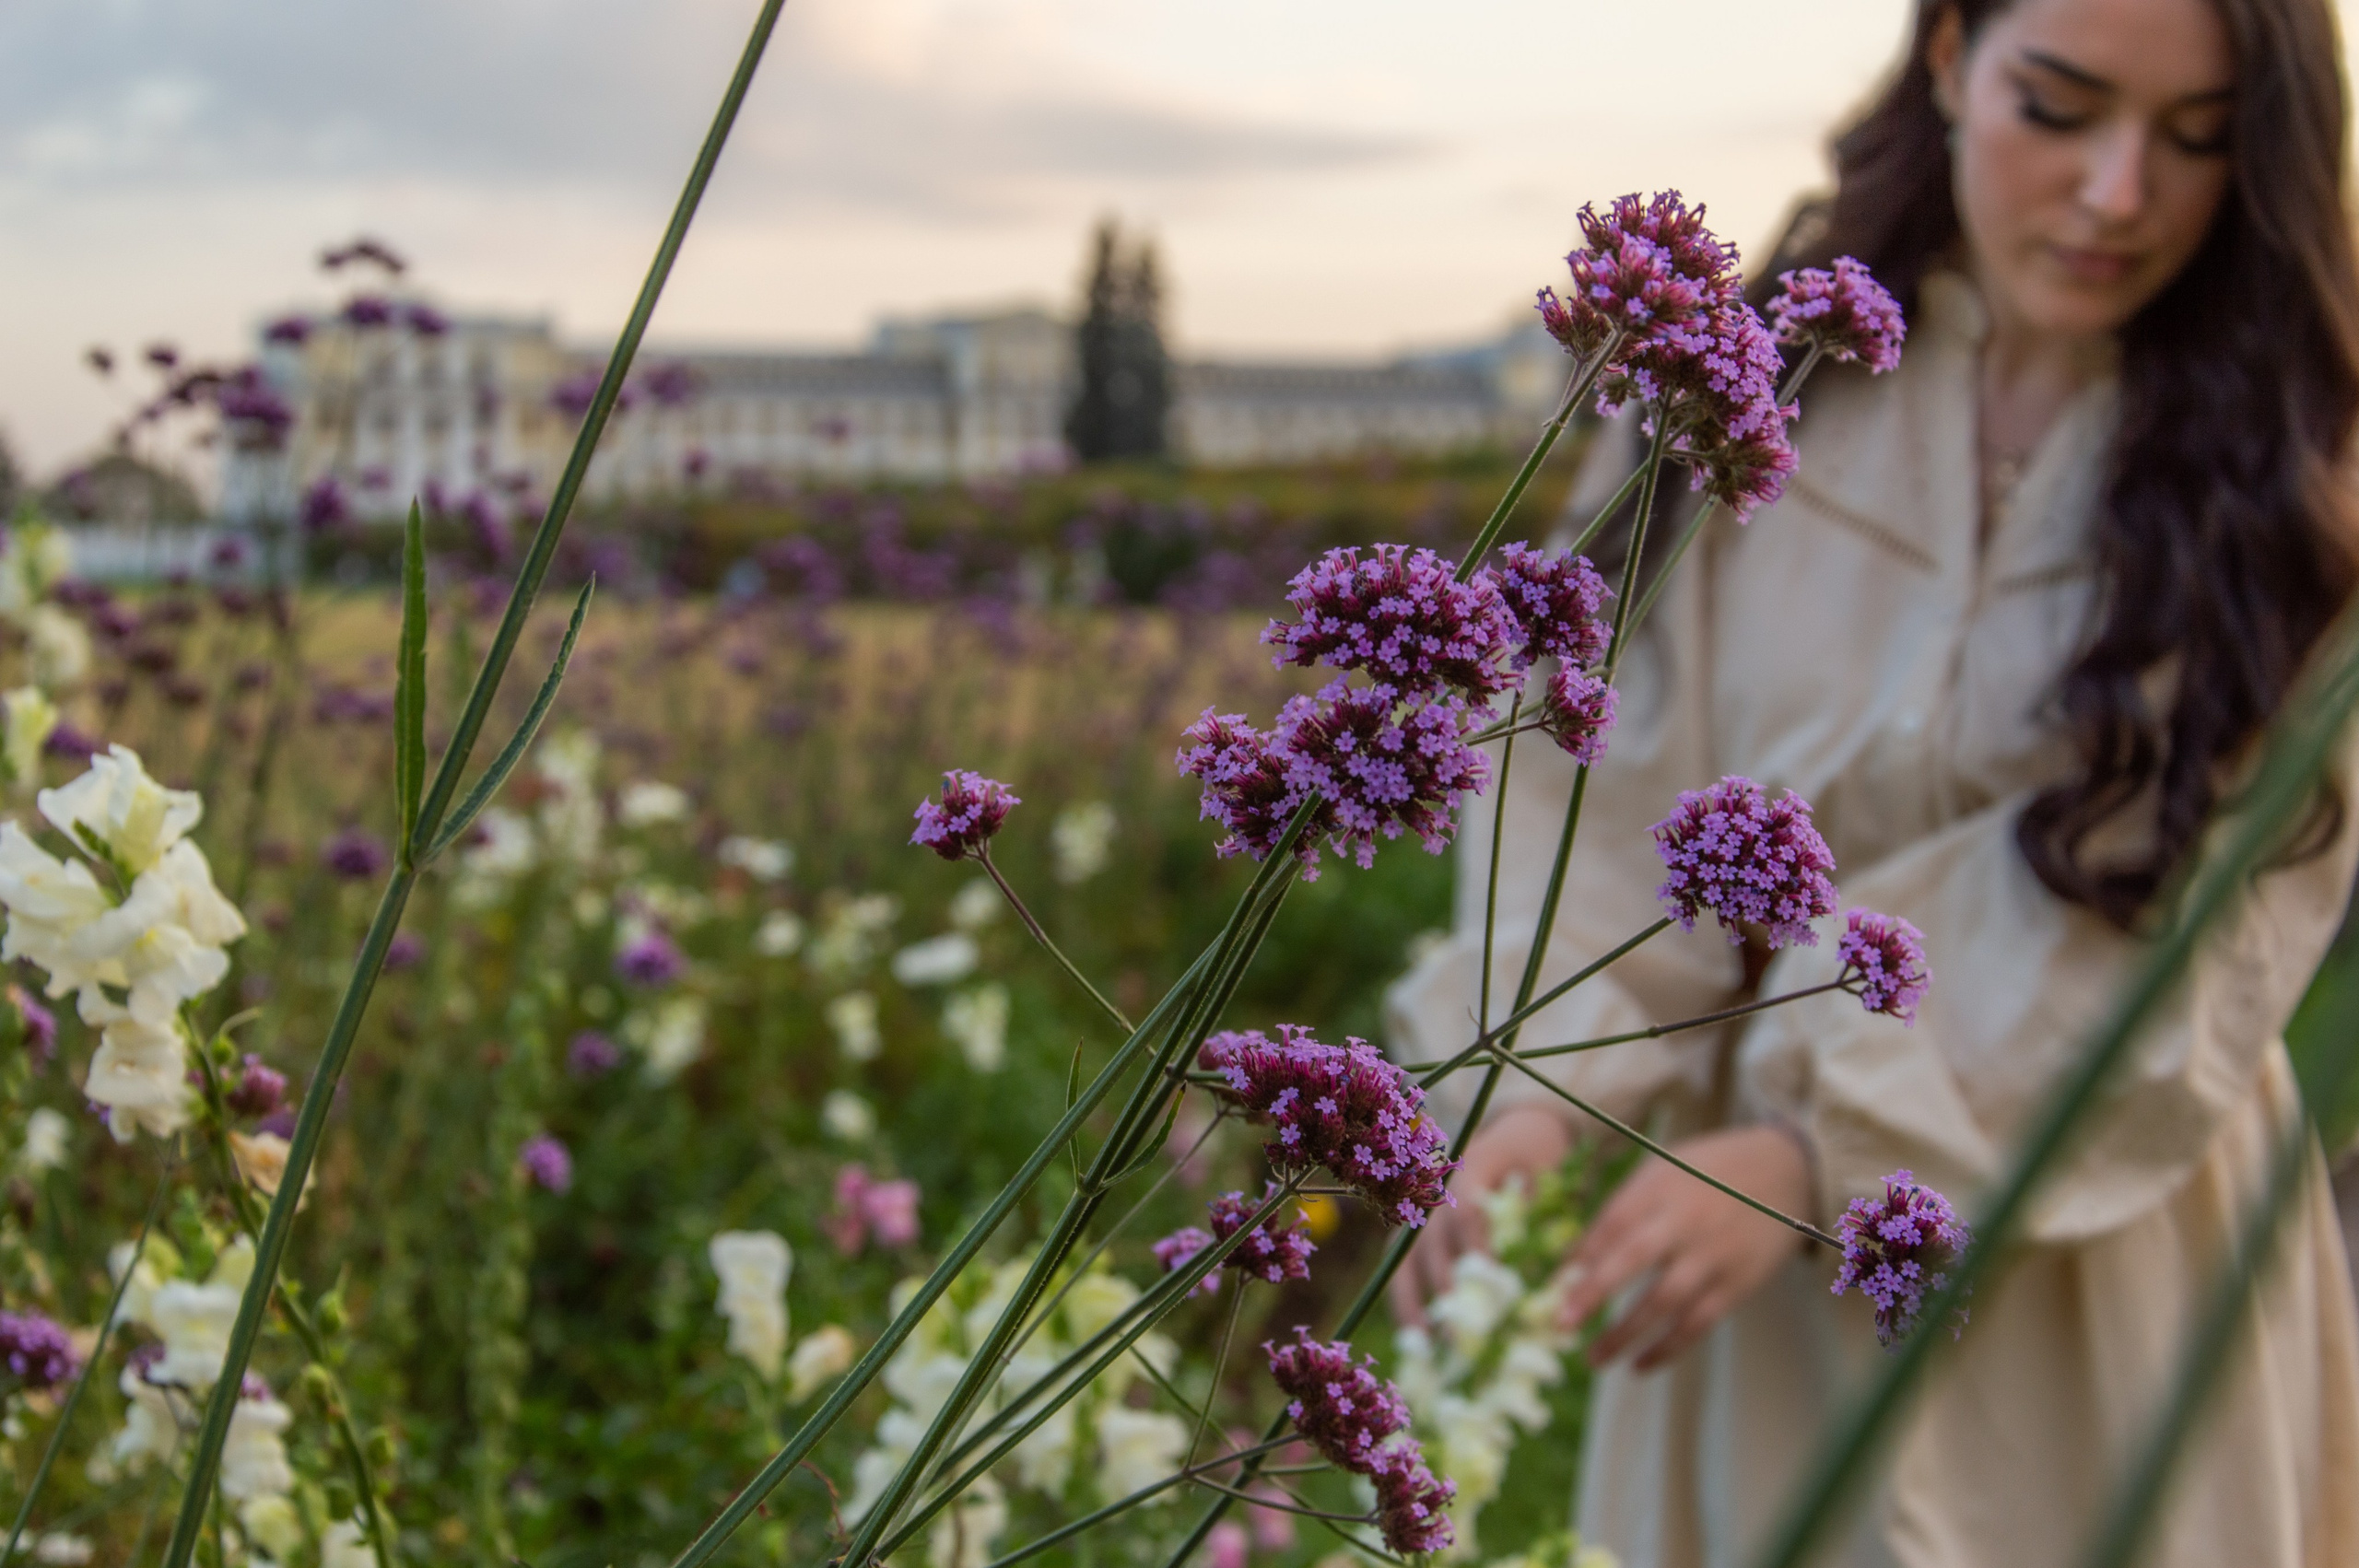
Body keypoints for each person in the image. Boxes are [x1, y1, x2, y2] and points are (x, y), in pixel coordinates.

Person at [1384, 0, 2359, 1563]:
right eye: (2061, 108)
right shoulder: (1747, 384)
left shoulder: (2302, 468)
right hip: (1742, 1285)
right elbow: (1596, 782)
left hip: (2109, 1247)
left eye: (2199, 138)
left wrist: (1822, 1150)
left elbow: (2211, 927)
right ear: (1952, 53)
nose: (2119, 193)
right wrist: (1526, 1094)